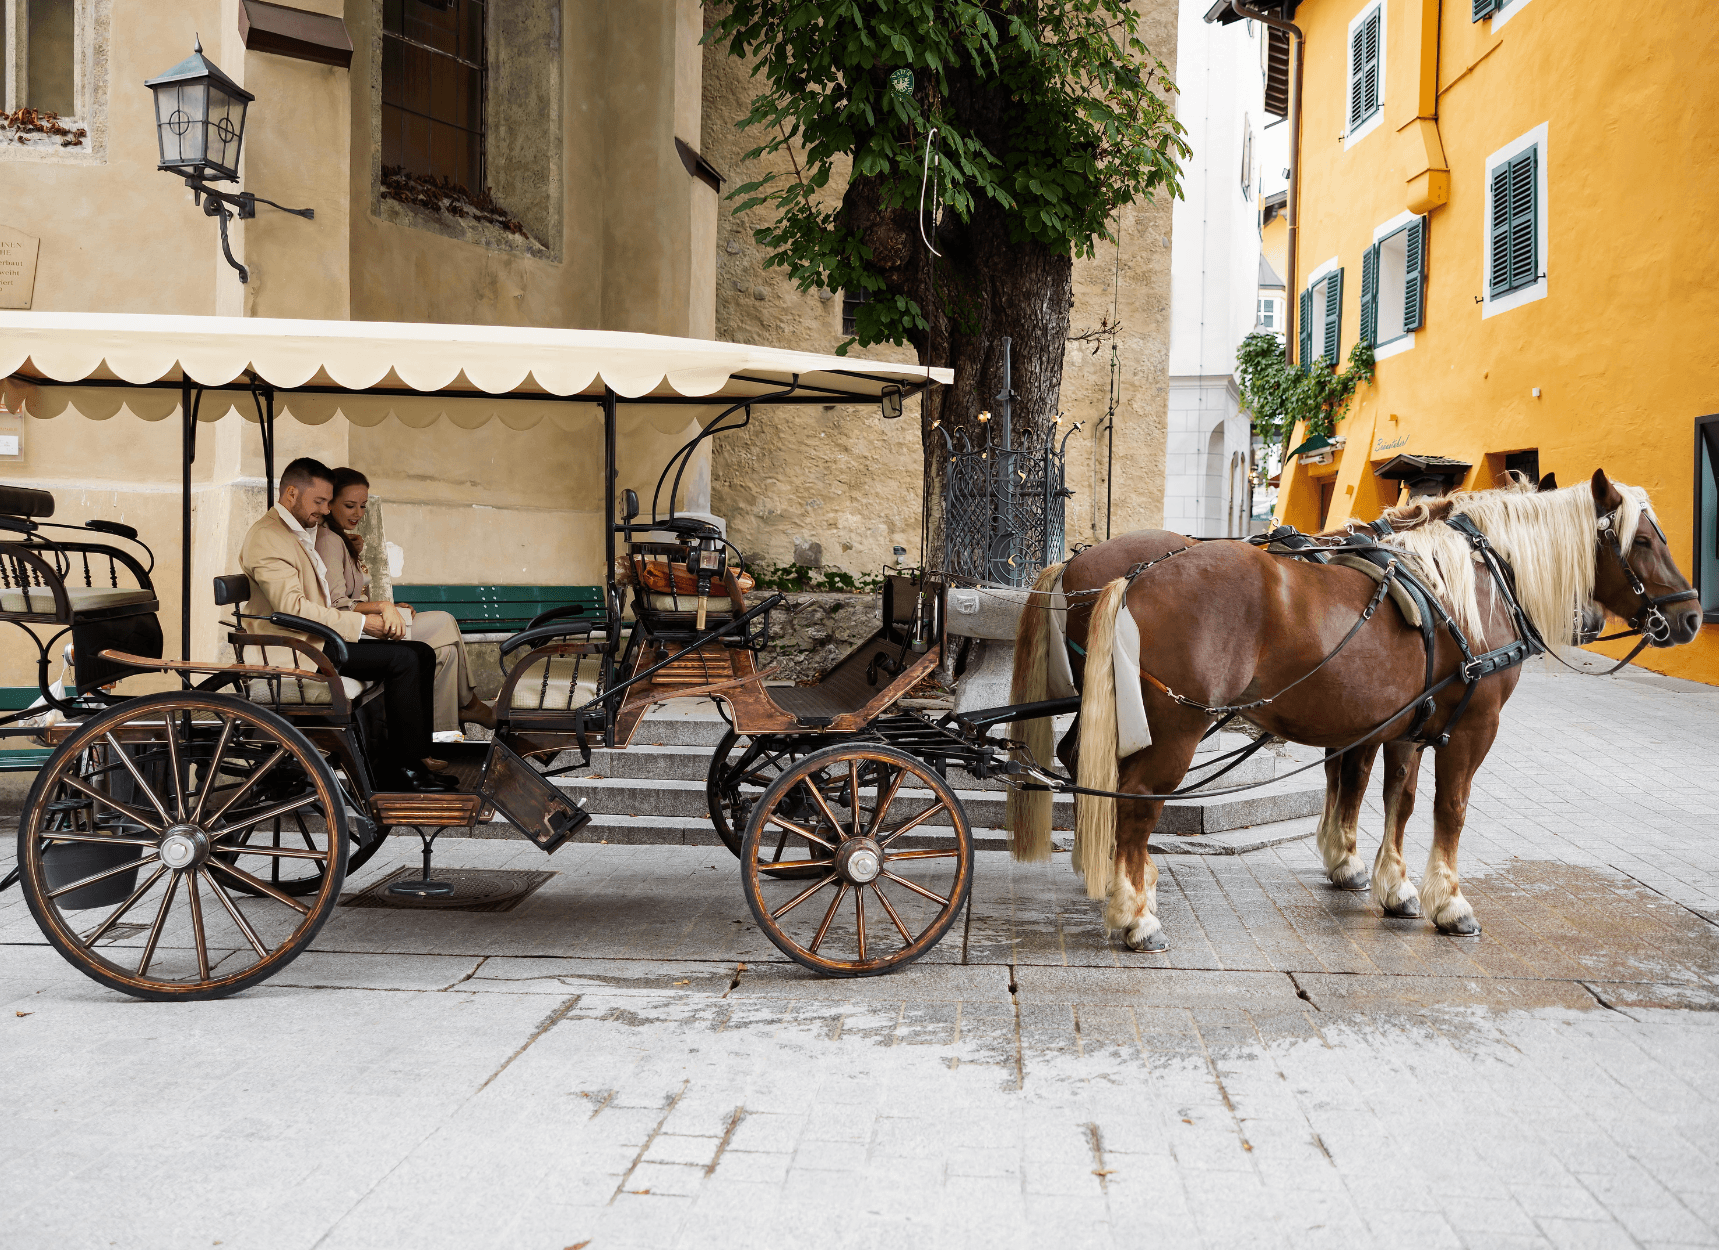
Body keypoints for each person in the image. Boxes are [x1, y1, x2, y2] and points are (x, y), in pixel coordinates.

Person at [238, 457, 455, 793]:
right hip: (297, 651)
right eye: (320, 501)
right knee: (406, 659)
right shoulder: (269, 537)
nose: (326, 510)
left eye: (328, 502)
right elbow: (290, 608)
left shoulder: (296, 532)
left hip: (317, 642)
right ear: (291, 493)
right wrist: (361, 625)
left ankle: (412, 757)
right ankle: (406, 768)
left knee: (421, 653)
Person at [316, 467, 494, 732]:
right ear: (330, 504)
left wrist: (390, 606)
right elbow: (338, 604)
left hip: (365, 624)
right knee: (444, 621)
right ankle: (471, 703)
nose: (358, 514)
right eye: (350, 505)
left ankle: (439, 731)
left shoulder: (342, 540)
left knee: (446, 653)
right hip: (355, 633)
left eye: (363, 506)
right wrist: (382, 607)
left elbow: (353, 595)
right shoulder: (329, 541)